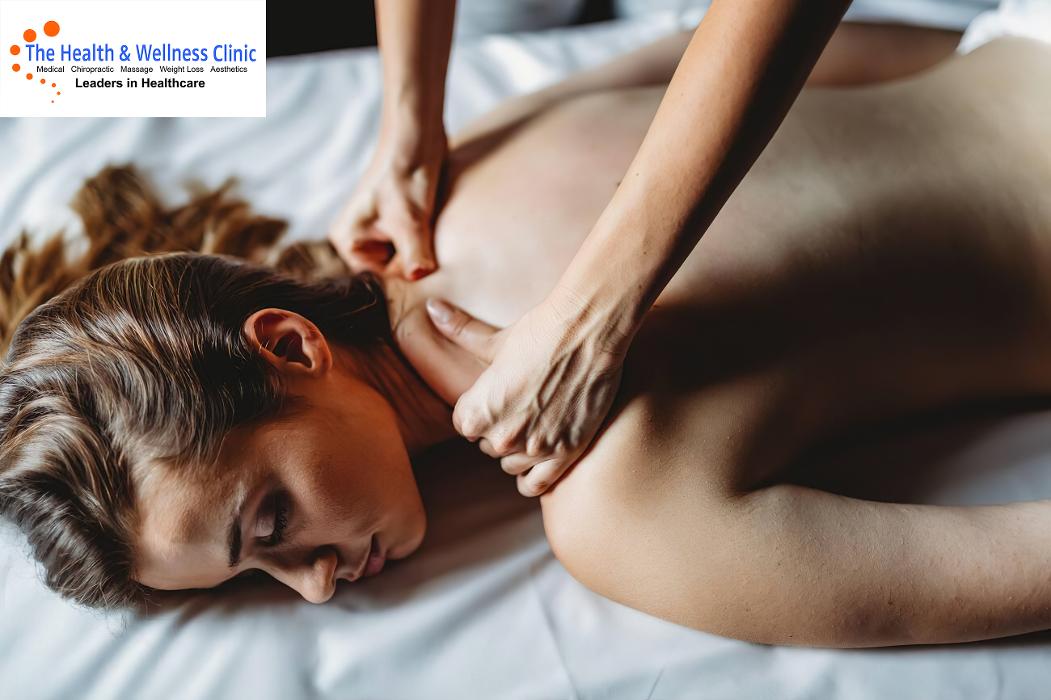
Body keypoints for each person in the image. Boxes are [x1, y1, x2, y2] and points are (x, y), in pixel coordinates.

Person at [2, 27, 1050, 647]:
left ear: (288, 346)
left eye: (269, 523)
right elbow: (801, 51)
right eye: (255, 580)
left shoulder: (612, 506)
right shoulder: (466, 164)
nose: (313, 583)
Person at [330, 0, 862, 496]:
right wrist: (407, 124)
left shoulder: (602, 485)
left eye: (283, 517)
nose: (318, 566)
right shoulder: (475, 166)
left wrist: (591, 323)